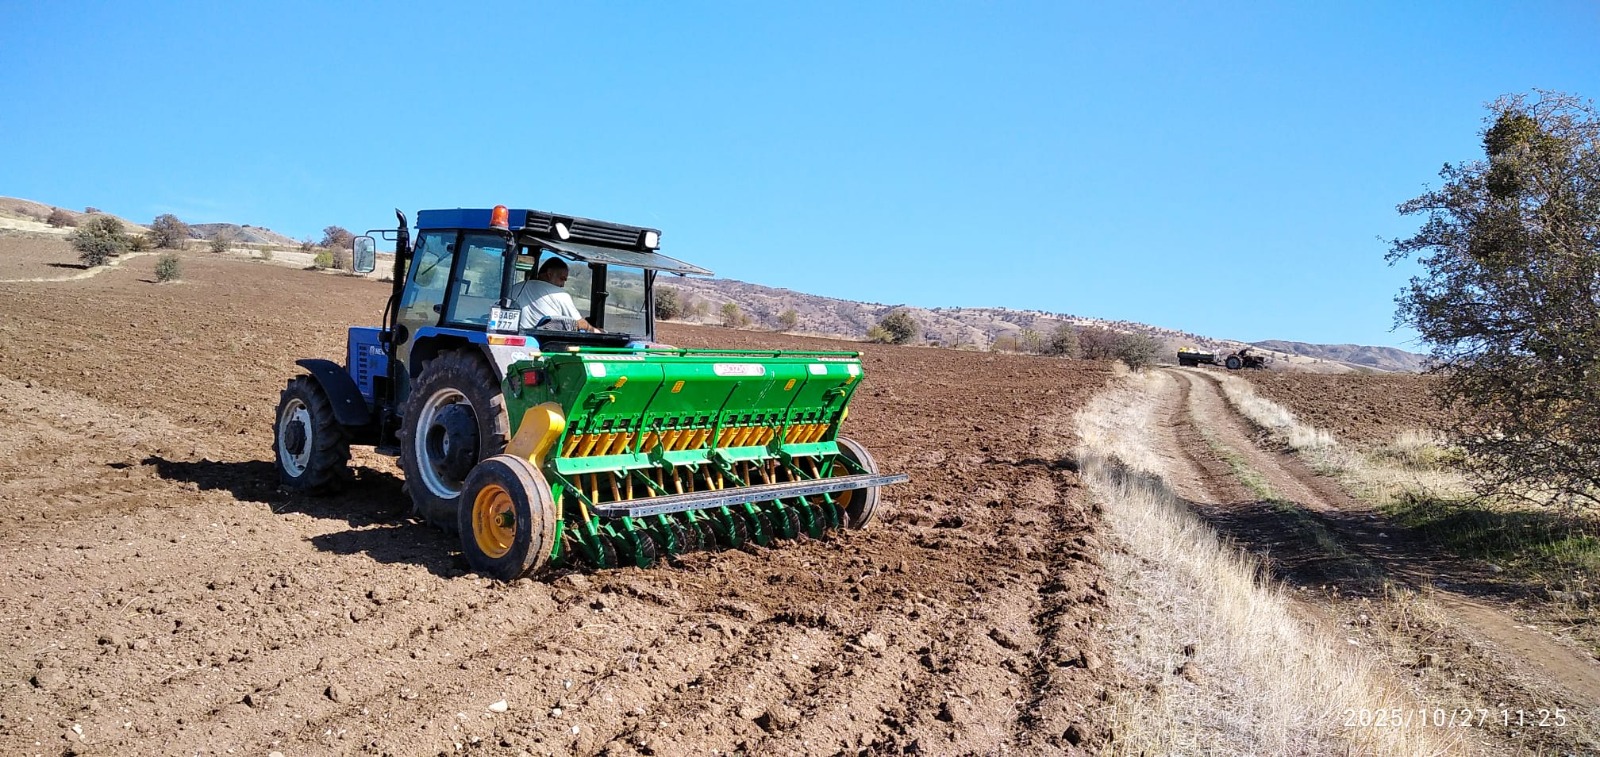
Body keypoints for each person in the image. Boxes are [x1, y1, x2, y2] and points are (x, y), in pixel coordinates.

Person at [510, 257, 599, 332]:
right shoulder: (560, 294)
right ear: (549, 274)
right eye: (562, 279)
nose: (563, 284)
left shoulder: (515, 288)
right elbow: (580, 323)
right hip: (547, 343)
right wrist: (595, 330)